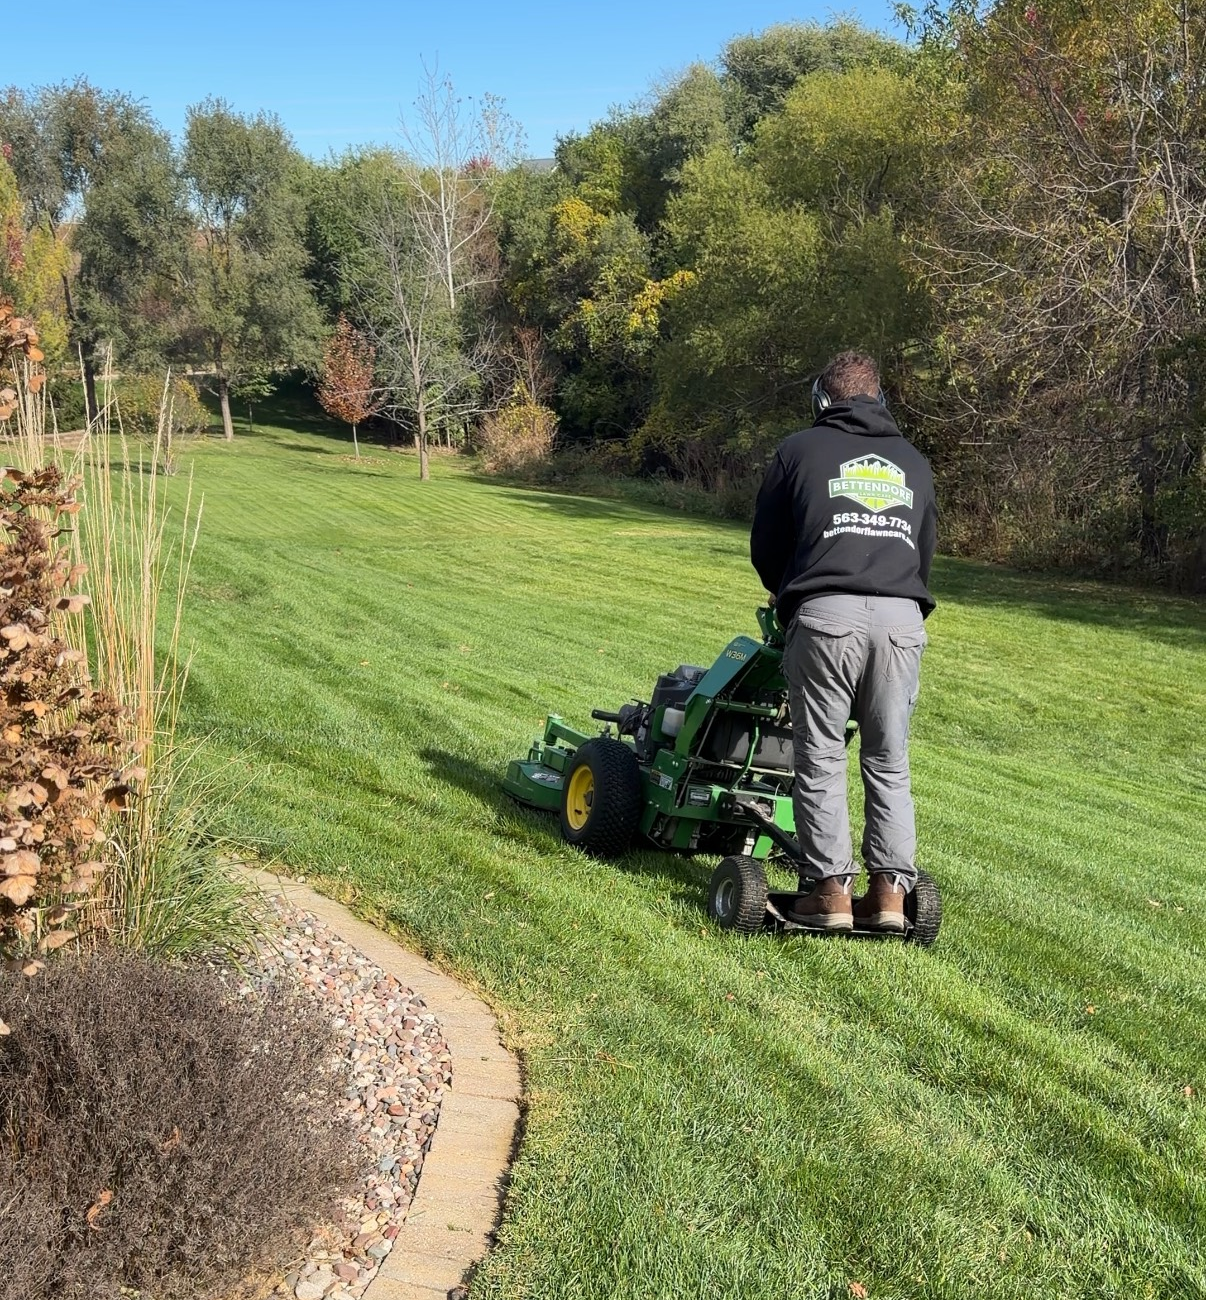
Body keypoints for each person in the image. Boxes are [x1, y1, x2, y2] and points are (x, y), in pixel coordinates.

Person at [750, 350, 937, 933]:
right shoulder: (915, 463)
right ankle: (888, 897)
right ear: (880, 399)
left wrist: (793, 595)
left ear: (822, 399)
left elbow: (767, 543)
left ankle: (829, 893)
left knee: (823, 753)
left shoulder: (798, 450)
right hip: (904, 619)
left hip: (826, 614)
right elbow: (924, 553)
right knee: (889, 759)